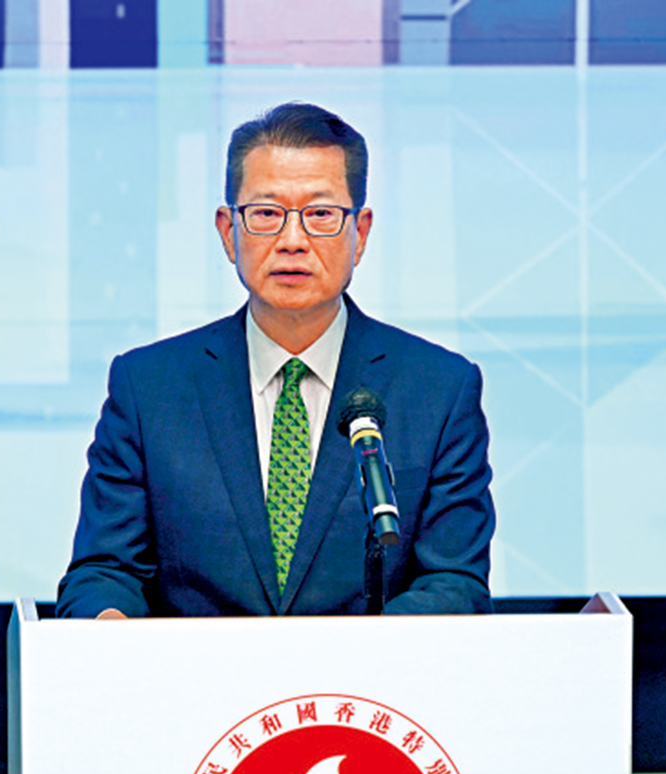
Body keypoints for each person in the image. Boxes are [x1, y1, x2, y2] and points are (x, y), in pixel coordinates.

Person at [55, 102, 495, 618]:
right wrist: (107, 624)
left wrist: (350, 657)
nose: (292, 241)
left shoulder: (439, 390)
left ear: (360, 233)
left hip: (363, 672)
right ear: (228, 231)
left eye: (321, 215)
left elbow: (454, 582)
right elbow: (103, 572)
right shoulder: (148, 388)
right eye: (266, 214)